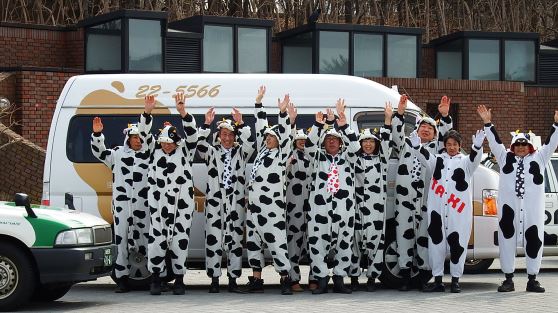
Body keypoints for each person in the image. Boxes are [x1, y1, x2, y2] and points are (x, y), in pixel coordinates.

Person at [478, 104, 558, 293]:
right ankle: (508, 279)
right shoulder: (505, 158)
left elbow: (551, 144)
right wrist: (488, 123)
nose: (521, 148)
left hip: (532, 210)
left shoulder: (539, 158)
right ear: (513, 146)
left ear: (529, 146)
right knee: (507, 241)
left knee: (534, 240)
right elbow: (495, 143)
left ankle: (533, 279)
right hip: (509, 209)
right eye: (518, 144)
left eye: (524, 145)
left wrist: (556, 125)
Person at [90, 95, 155, 293]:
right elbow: (100, 153)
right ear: (129, 138)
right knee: (121, 241)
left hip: (143, 206)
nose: (138, 140)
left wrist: (147, 112)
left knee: (146, 240)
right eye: (134, 137)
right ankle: (122, 279)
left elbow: (149, 135)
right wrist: (97, 135)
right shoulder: (118, 153)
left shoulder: (149, 153)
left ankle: (152, 277)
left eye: (140, 137)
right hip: (122, 206)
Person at [409, 129, 485, 293]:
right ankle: (438, 281)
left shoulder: (465, 162)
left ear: (459, 146)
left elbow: (475, 159)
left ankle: (455, 280)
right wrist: (417, 146)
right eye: (449, 144)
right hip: (437, 210)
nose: (451, 147)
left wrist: (477, 146)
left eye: (455, 145)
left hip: (458, 211)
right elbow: (424, 157)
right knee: (436, 244)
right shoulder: (437, 160)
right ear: (444, 145)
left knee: (458, 245)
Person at [392, 95, 453, 291]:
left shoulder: (438, 149)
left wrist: (444, 116)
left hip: (428, 200)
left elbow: (448, 137)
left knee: (424, 237)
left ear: (434, 134)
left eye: (430, 128)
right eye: (422, 127)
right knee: (403, 235)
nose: (425, 130)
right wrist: (399, 113)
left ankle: (423, 276)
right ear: (416, 130)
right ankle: (404, 274)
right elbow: (396, 134)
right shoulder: (407, 145)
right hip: (405, 200)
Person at [306, 100, 361, 295]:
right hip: (319, 211)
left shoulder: (349, 158)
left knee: (344, 245)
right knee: (317, 245)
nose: (331, 142)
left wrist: (343, 124)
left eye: (335, 139)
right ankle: (321, 280)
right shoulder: (317, 158)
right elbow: (309, 144)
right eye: (328, 139)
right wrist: (319, 125)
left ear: (340, 143)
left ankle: (339, 279)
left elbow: (356, 148)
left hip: (343, 210)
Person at [197, 107, 255, 293]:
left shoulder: (241, 153)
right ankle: (214, 280)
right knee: (213, 241)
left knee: (235, 242)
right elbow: (199, 146)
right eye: (224, 134)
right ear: (219, 135)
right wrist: (206, 124)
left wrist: (241, 122)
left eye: (231, 134)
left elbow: (251, 143)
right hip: (215, 203)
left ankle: (233, 280)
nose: (227, 138)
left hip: (235, 203)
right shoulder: (211, 152)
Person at [244, 86, 295, 295]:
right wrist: (258, 103)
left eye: (271, 137)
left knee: (277, 244)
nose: (267, 139)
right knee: (254, 243)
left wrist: (282, 113)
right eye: (267, 137)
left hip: (272, 210)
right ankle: (257, 280)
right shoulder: (262, 151)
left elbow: (285, 134)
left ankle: (285, 279)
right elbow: (261, 126)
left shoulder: (282, 154)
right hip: (254, 208)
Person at [146, 92, 198, 296]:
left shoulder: (185, 151)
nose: (167, 145)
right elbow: (142, 134)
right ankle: (156, 279)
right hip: (158, 208)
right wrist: (147, 113)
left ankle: (179, 280)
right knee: (156, 244)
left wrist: (182, 112)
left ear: (176, 142)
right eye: (164, 142)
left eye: (170, 142)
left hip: (181, 208)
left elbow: (193, 135)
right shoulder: (153, 152)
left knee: (179, 243)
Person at [349, 102, 393, 292]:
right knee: (355, 243)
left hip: (376, 210)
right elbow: (349, 146)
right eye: (364, 141)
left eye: (371, 142)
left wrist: (388, 120)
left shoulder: (381, 160)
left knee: (376, 243)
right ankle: (353, 278)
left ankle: (372, 278)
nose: (368, 144)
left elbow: (387, 141)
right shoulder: (355, 159)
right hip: (357, 207)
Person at [286, 124, 313, 292]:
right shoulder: (290, 156)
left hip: (313, 207)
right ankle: (293, 279)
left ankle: (315, 278)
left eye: (305, 140)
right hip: (294, 206)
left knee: (314, 242)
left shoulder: (315, 156)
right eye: (299, 140)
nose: (302, 142)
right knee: (293, 242)